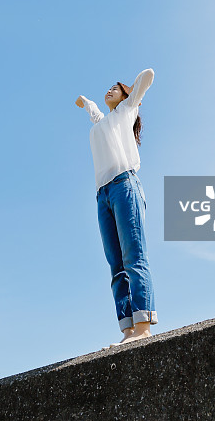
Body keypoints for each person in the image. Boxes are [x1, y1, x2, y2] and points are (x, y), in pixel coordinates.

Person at [75, 68, 158, 347]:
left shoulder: (126, 111)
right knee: (116, 266)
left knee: (133, 257)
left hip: (125, 185)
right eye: (109, 87)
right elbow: (95, 113)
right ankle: (128, 330)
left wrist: (133, 91)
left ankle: (143, 325)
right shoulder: (101, 123)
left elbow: (149, 74)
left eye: (116, 88)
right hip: (103, 195)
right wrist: (86, 102)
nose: (110, 89)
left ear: (125, 96)